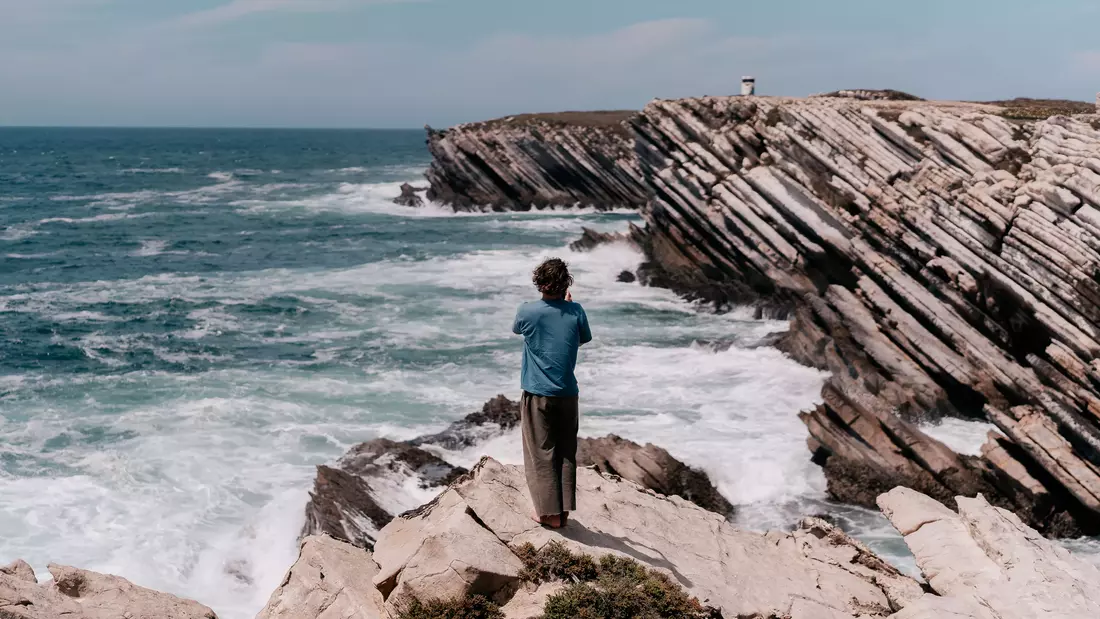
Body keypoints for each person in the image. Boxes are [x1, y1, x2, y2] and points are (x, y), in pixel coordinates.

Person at [512, 258, 592, 529]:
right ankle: (564, 512)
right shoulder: (575, 311)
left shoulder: (527, 311)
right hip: (568, 392)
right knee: (566, 451)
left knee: (541, 451)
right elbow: (580, 338)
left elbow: (518, 329)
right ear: (565, 283)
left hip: (537, 392)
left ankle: (549, 515)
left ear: (539, 283)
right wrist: (568, 306)